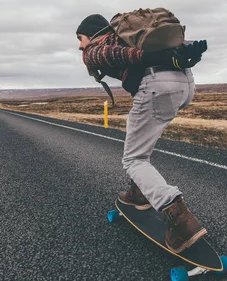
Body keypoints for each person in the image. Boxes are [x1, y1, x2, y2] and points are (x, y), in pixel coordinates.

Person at [77, 13, 208, 253]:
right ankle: (139, 193)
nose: (79, 45)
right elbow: (138, 53)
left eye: (81, 38)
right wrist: (176, 57)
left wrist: (161, 57)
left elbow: (124, 55)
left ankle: (179, 218)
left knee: (134, 159)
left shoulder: (95, 49)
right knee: (141, 142)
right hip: (184, 85)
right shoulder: (130, 37)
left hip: (158, 85)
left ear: (93, 35)